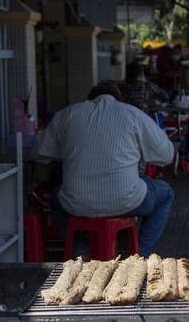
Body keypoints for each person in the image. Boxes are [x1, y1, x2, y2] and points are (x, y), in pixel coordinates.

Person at [32, 83, 175, 258]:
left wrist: (68, 151)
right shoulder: (134, 114)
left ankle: (79, 250)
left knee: (56, 197)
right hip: (127, 201)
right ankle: (140, 254)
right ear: (118, 99)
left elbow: (39, 154)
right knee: (166, 193)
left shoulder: (67, 115)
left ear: (89, 99)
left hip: (76, 203)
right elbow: (167, 156)